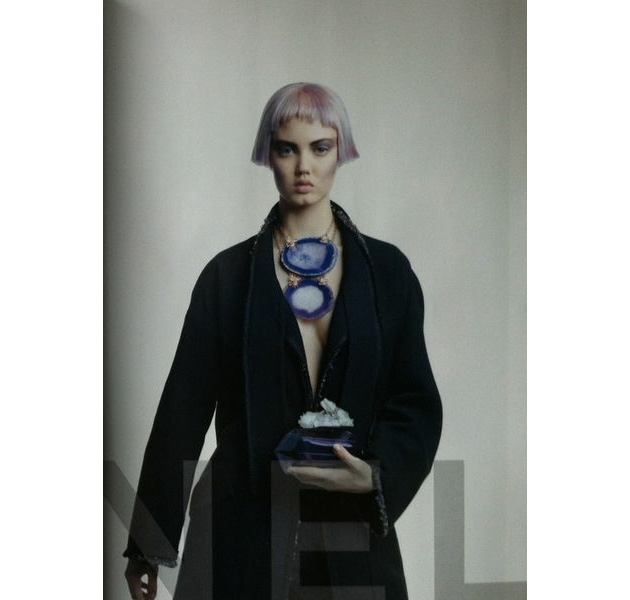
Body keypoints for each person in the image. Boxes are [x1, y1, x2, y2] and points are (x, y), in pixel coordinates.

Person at [123, 82, 442, 600]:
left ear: (341, 152)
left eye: (321, 148)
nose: (304, 167)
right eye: (287, 149)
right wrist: (148, 542)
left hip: (352, 537)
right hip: (241, 530)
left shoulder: (388, 274)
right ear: (268, 155)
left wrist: (376, 475)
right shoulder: (227, 278)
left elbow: (415, 400)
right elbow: (182, 412)